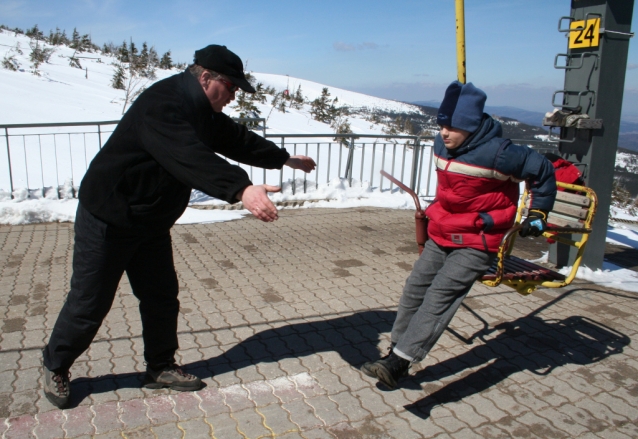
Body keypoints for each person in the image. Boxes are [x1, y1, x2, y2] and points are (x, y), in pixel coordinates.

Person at [42, 44, 316, 408]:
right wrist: (240, 188)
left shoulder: (201, 109)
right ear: (206, 78)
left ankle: (160, 367)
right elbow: (189, 155)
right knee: (90, 302)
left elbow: (235, 138)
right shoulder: (164, 104)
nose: (234, 96)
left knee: (160, 298)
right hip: (109, 217)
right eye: (231, 87)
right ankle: (55, 365)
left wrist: (283, 158)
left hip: (151, 222)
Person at [361, 81, 556, 389]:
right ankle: (395, 354)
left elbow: (543, 170)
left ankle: (400, 362)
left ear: (472, 126)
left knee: (440, 294)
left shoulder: (500, 154)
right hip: (443, 232)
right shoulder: (442, 145)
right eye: (442, 125)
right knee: (415, 288)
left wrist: (538, 214)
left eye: (453, 127)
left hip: (479, 239)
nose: (444, 133)